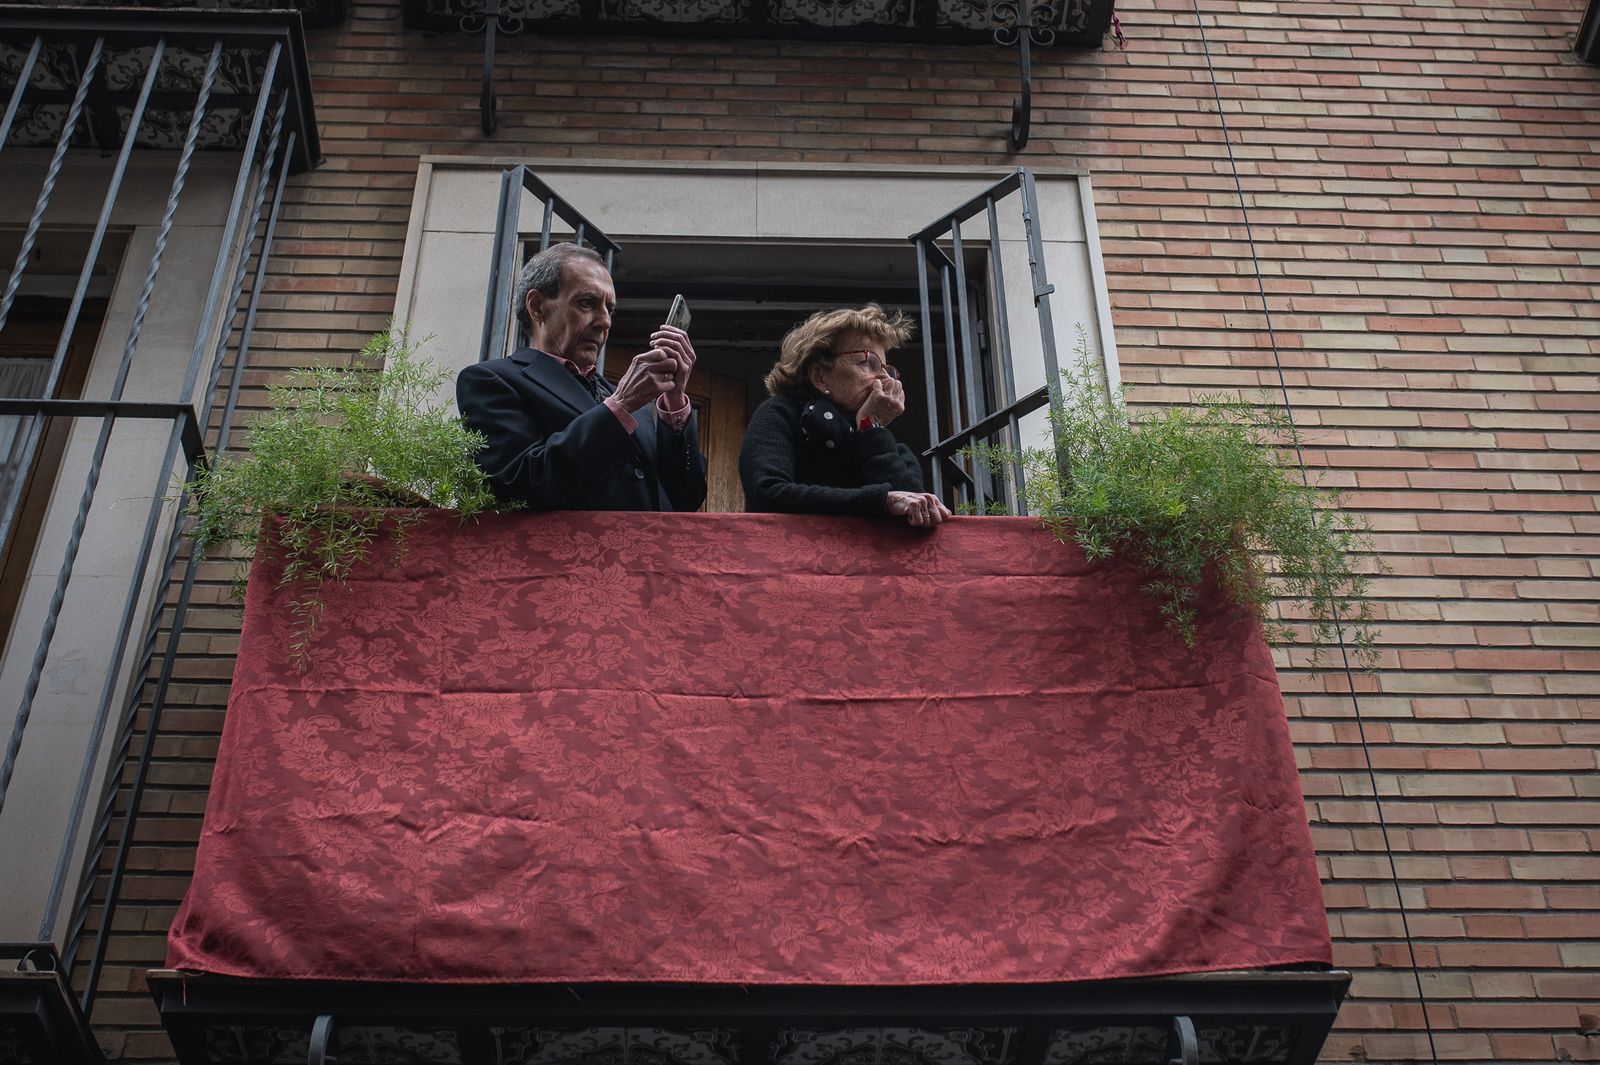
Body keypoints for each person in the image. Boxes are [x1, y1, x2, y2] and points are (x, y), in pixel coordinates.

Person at [457, 243, 707, 511]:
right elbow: (520, 486)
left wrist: (675, 404)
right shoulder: (491, 381)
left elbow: (685, 500)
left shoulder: (634, 406)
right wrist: (620, 407)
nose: (605, 321)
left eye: (609, 309)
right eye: (587, 303)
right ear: (537, 306)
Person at [740, 305, 951, 527]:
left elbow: (917, 514)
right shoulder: (782, 415)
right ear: (820, 376)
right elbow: (768, 494)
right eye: (868, 362)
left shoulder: (894, 451)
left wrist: (871, 427)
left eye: (887, 369)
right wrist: (881, 500)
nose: (884, 378)